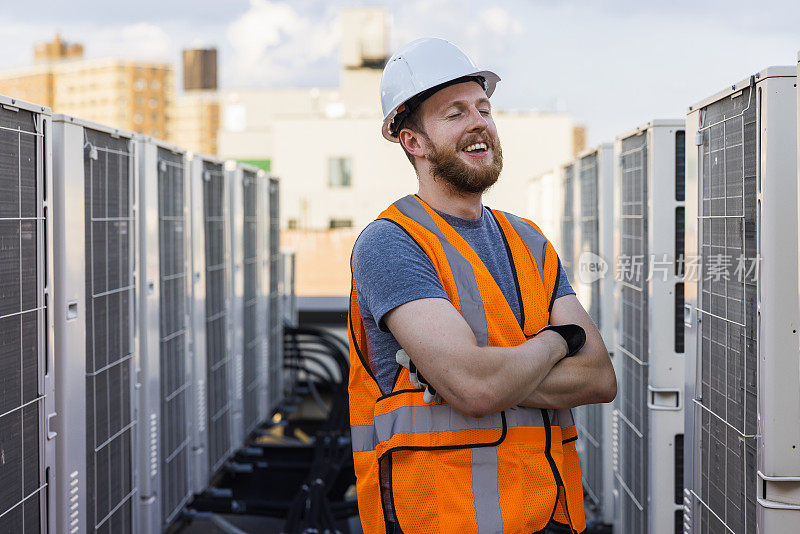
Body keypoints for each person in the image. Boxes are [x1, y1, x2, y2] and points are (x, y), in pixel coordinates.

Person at [348, 38, 616, 534]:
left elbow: (599, 379)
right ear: (414, 142)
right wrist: (558, 342)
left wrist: (484, 375)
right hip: (443, 521)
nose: (479, 123)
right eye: (455, 113)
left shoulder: (528, 240)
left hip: (550, 516)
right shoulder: (391, 244)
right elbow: (475, 387)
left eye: (483, 108)